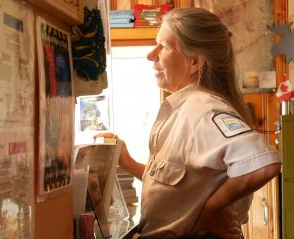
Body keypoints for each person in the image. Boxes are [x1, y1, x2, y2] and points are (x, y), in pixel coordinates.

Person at [95, 7, 281, 239]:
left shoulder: (204, 109)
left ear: (194, 63)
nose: (151, 55)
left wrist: (209, 211)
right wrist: (129, 162)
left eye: (163, 46)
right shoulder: (184, 109)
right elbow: (182, 191)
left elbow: (263, 164)